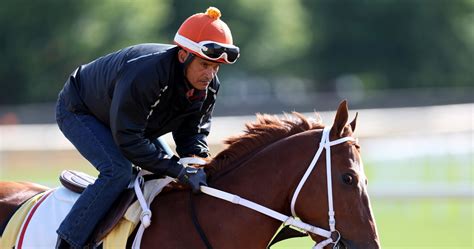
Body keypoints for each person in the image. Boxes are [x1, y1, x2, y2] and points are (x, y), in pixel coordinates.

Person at [55, 7, 239, 249]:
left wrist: (195, 162)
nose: (210, 74)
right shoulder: (146, 74)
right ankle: (68, 242)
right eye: (205, 64)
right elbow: (128, 140)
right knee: (118, 171)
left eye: (216, 67)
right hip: (81, 109)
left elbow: (191, 134)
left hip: (127, 121)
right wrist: (178, 170)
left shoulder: (208, 86)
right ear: (184, 56)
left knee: (166, 173)